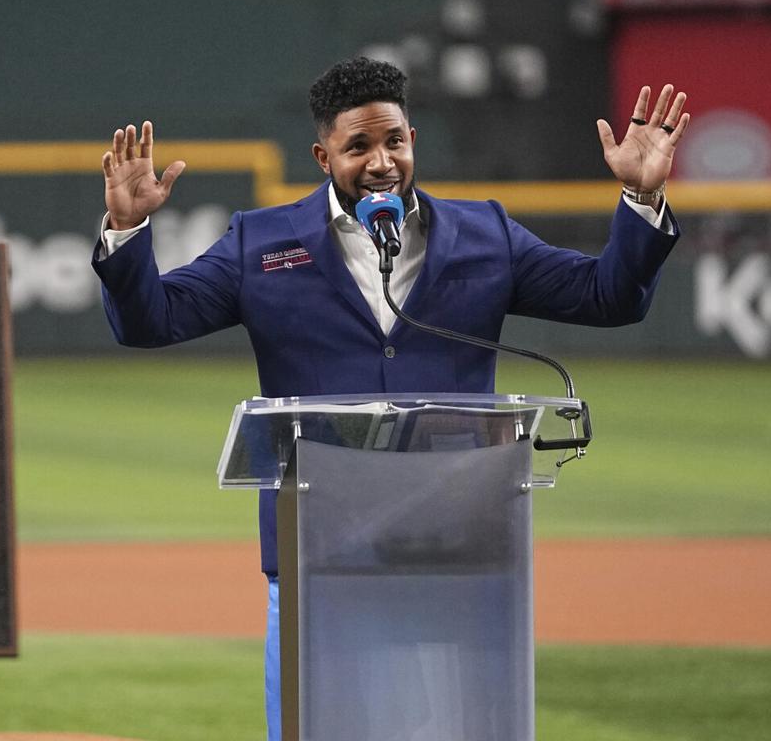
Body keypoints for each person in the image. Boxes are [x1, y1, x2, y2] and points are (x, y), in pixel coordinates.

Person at [91, 56, 686, 741]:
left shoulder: (486, 234)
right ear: (323, 156)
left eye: (394, 140)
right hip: (320, 553)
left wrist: (641, 197)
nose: (382, 163)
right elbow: (152, 321)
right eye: (359, 146)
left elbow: (609, 297)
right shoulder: (262, 243)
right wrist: (127, 232)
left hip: (456, 547)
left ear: (412, 140)